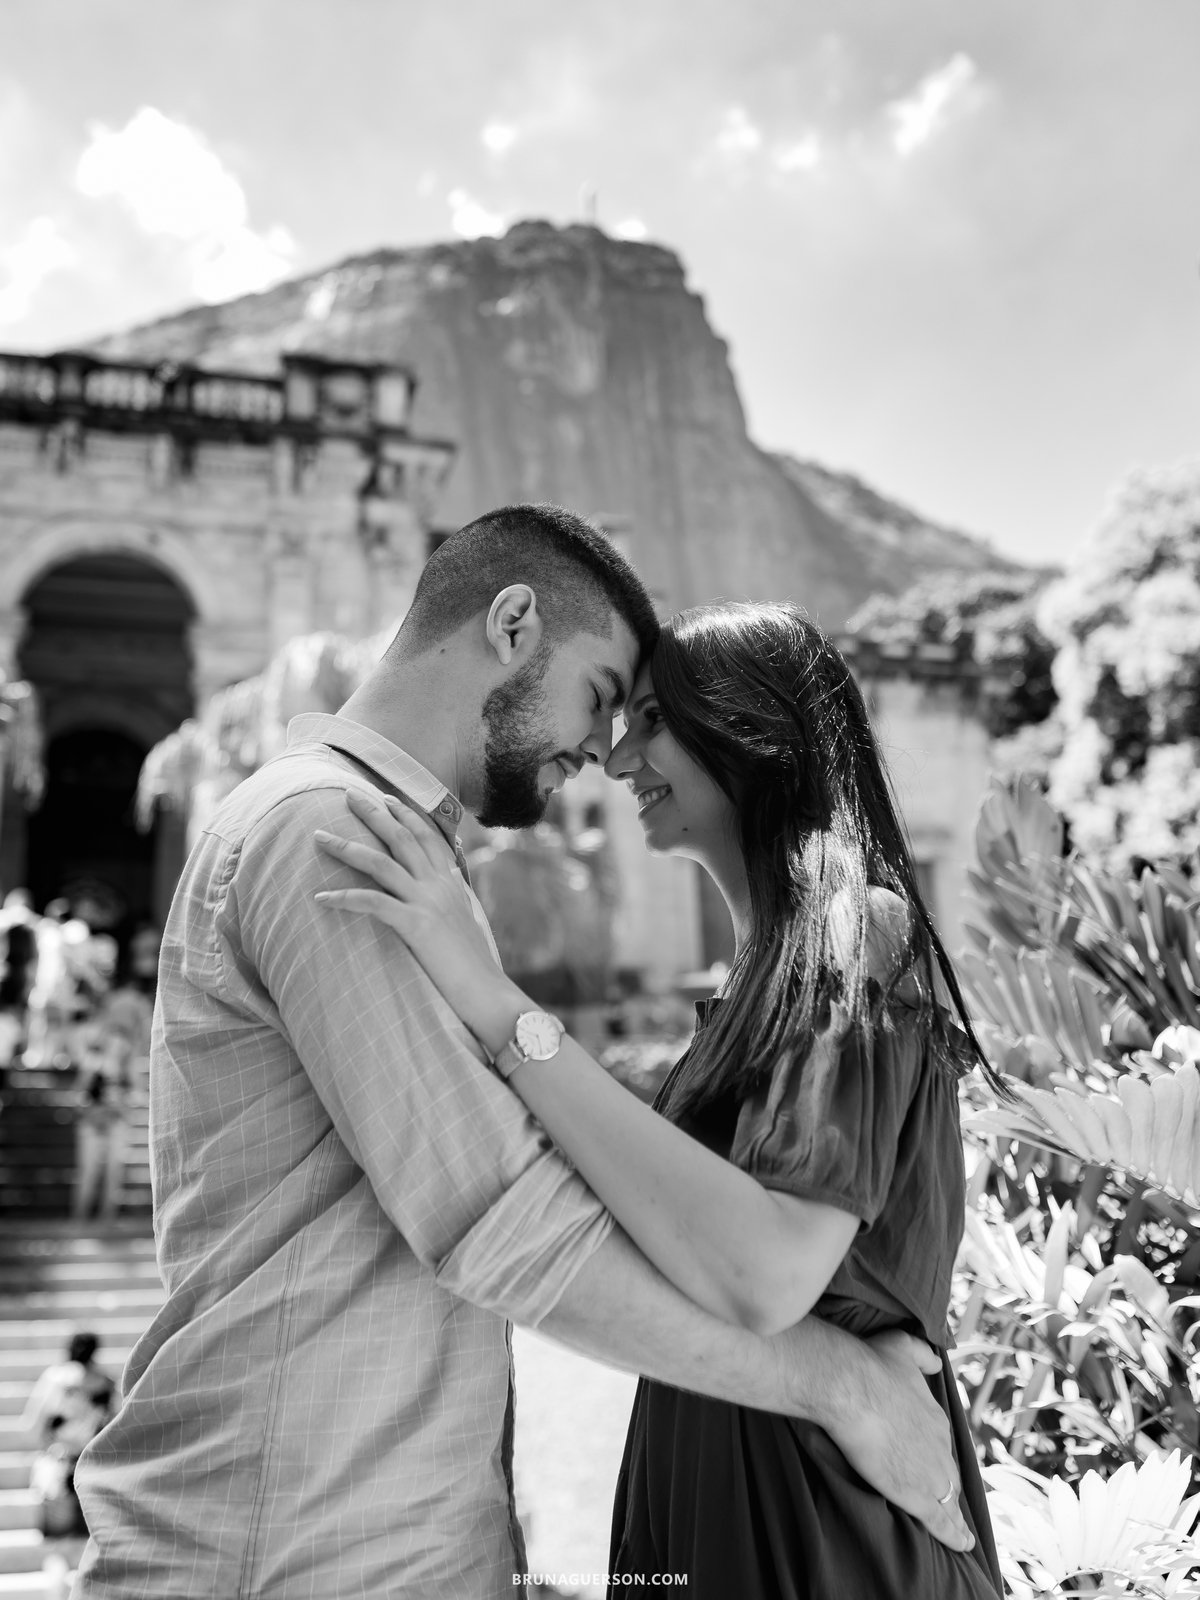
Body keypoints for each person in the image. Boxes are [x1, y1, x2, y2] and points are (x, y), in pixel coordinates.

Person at [74, 506, 973, 1599]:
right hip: (288, 1542)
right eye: (606, 699)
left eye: (645, 719)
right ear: (510, 626)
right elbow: (497, 1215)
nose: (607, 753)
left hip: (373, 1536)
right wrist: (844, 1387)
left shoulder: (409, 864)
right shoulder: (340, 837)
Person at [321, 599, 1004, 1598]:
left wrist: (491, 996)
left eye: (649, 719)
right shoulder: (757, 982)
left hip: (827, 1520)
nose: (613, 753)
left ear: (750, 730)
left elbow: (768, 1270)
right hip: (727, 1484)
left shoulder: (858, 930)